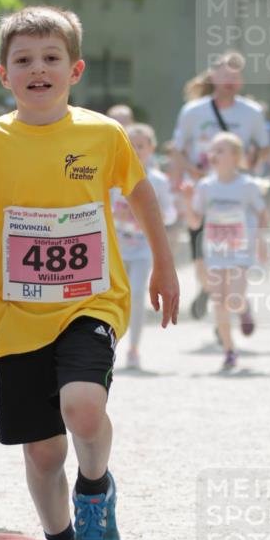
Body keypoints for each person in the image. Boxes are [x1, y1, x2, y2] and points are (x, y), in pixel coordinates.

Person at [0, 5, 180, 540]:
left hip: (90, 301)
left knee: (83, 405)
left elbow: (141, 194)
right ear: (4, 74)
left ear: (74, 70)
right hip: (16, 314)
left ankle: (95, 489)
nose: (38, 69)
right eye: (24, 60)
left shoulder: (102, 135)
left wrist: (164, 264)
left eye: (51, 58)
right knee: (43, 453)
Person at [172, 52, 270, 320]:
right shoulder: (193, 111)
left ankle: (228, 313)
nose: (230, 80)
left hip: (235, 194)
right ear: (213, 77)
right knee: (202, 264)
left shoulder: (251, 112)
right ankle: (211, 290)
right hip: (202, 193)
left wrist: (250, 164)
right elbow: (177, 149)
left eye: (236, 76)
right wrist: (186, 174)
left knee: (231, 261)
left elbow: (264, 147)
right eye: (225, 75)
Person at [182, 132, 268, 371]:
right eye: (212, 150)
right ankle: (229, 350)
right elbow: (194, 223)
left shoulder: (247, 186)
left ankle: (243, 309)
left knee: (234, 299)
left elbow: (262, 214)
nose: (213, 155)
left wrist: (261, 241)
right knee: (219, 301)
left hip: (241, 250)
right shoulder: (205, 186)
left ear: (236, 157)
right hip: (215, 251)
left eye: (220, 150)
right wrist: (187, 200)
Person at [112, 122, 177, 369]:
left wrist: (151, 215)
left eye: (141, 146)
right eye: (131, 145)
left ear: (151, 149)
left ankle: (134, 349)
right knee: (113, 299)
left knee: (138, 295)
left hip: (143, 249)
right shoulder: (112, 176)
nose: (136, 150)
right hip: (116, 248)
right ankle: (109, 346)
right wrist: (117, 213)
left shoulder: (158, 181)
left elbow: (170, 214)